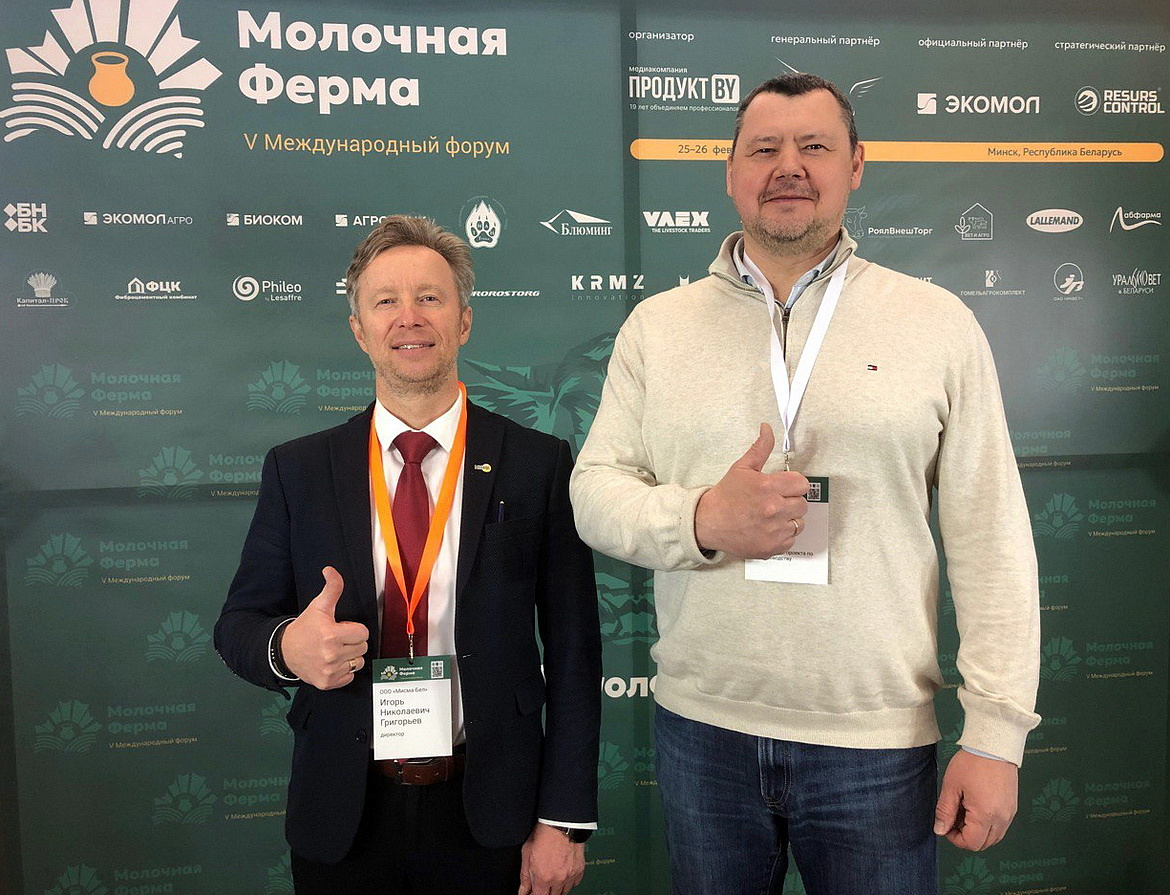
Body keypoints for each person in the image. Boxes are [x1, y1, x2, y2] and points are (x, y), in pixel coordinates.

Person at [569, 73, 1040, 895]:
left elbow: (991, 537)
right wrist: (702, 518)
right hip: (703, 731)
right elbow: (594, 492)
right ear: (731, 173)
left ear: (855, 165)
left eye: (814, 146)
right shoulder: (658, 327)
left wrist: (996, 734)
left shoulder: (937, 324)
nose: (788, 165)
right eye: (764, 148)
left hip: (876, 745)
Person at [215, 216, 601, 895]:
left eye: (430, 297)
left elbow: (574, 651)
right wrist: (288, 648)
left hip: (493, 811)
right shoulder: (299, 470)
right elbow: (238, 625)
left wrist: (562, 819)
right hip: (345, 808)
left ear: (464, 321)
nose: (409, 317)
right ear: (359, 330)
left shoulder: (536, 463)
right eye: (385, 301)